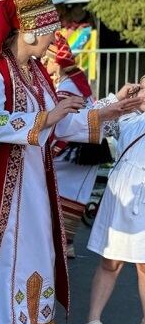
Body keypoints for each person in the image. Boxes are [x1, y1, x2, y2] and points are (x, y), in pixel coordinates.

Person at [0, 0, 137, 324]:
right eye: (52, 31)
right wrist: (46, 118)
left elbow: (63, 120)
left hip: (33, 181)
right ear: (31, 31)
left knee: (38, 248)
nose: (56, 39)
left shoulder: (35, 73)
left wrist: (111, 107)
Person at [84, 79, 145, 324]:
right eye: (140, 88)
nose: (140, 93)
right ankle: (93, 321)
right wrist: (117, 99)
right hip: (122, 197)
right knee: (111, 261)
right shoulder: (127, 118)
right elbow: (91, 121)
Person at [45, 35, 110, 259]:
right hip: (86, 146)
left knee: (58, 190)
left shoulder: (67, 86)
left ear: (57, 61)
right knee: (74, 193)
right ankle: (66, 242)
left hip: (75, 147)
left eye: (48, 59)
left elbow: (63, 121)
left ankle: (61, 242)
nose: (45, 63)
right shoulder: (76, 79)